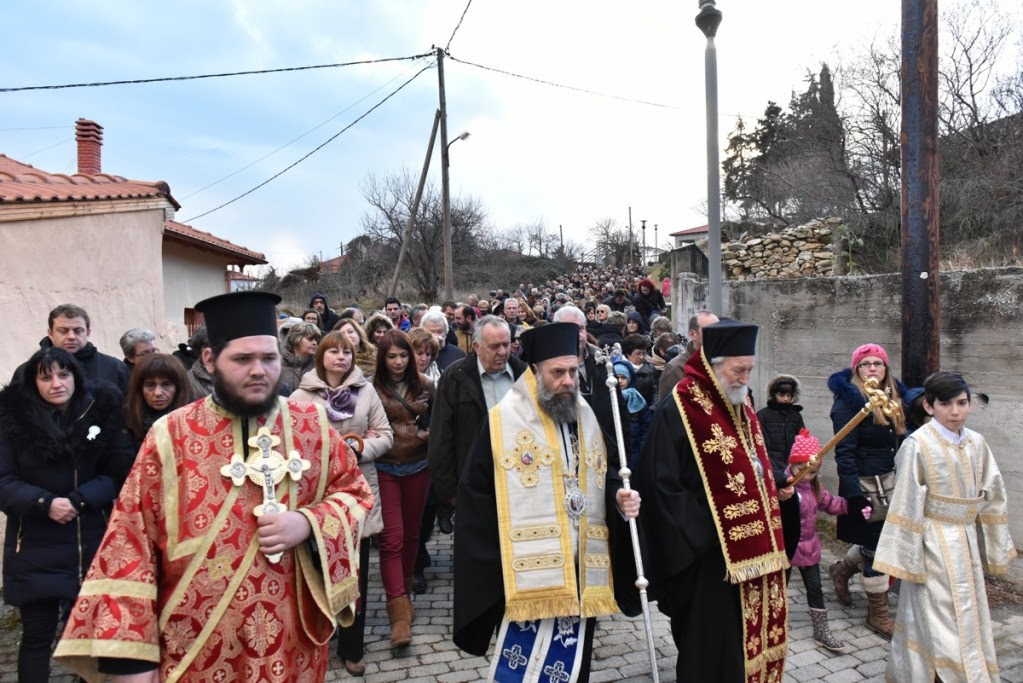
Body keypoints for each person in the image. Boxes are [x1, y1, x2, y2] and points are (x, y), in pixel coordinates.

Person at [54, 291, 373, 681]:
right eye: (242, 359)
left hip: (293, 647)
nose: (259, 370)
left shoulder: (311, 423)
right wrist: (134, 663)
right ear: (209, 360)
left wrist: (308, 524)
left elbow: (355, 493)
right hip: (195, 646)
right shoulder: (170, 435)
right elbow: (130, 542)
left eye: (269, 358)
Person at [453, 323, 641, 682]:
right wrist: (495, 561)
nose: (568, 380)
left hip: (581, 569)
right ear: (535, 371)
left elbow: (607, 472)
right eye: (558, 372)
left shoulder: (584, 416)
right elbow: (475, 495)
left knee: (577, 669)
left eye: (572, 370)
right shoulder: (502, 421)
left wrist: (618, 495)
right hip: (527, 572)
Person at [635, 320, 789, 682]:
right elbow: (661, 487)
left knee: (743, 645)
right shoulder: (679, 409)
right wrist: (710, 533)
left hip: (753, 554)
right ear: (713, 365)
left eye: (749, 370)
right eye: (738, 370)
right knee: (710, 649)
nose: (744, 378)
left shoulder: (740, 403)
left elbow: (754, 461)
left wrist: (778, 483)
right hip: (706, 559)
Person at [1, 348, 134, 681]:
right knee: (36, 637)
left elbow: (119, 471)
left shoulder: (101, 410)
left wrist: (80, 499)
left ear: (76, 376)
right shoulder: (12, 418)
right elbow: (3, 481)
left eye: (64, 375)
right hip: (34, 545)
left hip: (88, 541)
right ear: (34, 382)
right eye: (46, 377)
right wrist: (45, 503)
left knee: (90, 638)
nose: (56, 384)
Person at [874, 371, 1015, 680]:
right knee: (936, 620)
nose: (955, 411)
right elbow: (907, 500)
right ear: (929, 406)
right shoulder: (918, 445)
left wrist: (993, 547)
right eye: (946, 404)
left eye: (962, 403)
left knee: (968, 615)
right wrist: (908, 556)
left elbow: (994, 495)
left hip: (965, 542)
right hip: (932, 542)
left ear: (970, 405)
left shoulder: (977, 443)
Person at [291, 331, 393, 676]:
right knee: (318, 569)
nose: (341, 357)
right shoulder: (301, 395)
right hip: (316, 495)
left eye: (346, 352)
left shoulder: (366, 392)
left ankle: (353, 647)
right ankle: (319, 637)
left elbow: (385, 433)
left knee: (357, 570)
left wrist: (360, 448)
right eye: (333, 351)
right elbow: (289, 441)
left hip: (358, 490)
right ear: (320, 356)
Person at [826, 343, 906, 639]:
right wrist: (853, 494)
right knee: (877, 546)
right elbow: (843, 452)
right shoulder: (849, 402)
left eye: (878, 363)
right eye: (865, 364)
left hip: (891, 480)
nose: (873, 368)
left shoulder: (892, 398)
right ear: (856, 369)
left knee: (881, 541)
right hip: (866, 484)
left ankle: (842, 570)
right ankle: (878, 613)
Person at [427, 316, 527, 514]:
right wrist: (450, 491)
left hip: (520, 480)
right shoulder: (455, 377)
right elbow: (441, 436)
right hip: (472, 483)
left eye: (506, 344)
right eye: (494, 346)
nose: (502, 352)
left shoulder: (524, 374)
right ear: (476, 346)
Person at [372, 329, 434, 649]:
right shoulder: (372, 387)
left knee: (412, 535)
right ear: (382, 358)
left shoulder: (425, 385)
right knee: (391, 538)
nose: (398, 362)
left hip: (418, 466)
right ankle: (398, 613)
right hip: (384, 467)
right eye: (391, 356)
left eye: (403, 355)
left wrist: (427, 435)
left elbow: (438, 423)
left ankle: (405, 595)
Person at [786, 429, 849, 653]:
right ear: (791, 465)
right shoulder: (784, 488)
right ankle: (769, 626)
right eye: (800, 468)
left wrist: (854, 504)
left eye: (811, 472)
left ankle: (821, 631)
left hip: (808, 548)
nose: (806, 474)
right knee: (777, 589)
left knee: (815, 588)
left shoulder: (815, 489)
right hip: (785, 549)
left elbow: (833, 504)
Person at [14, 304, 130, 394]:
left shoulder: (115, 368)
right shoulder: (27, 371)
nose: (71, 337)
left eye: (78, 331)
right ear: (50, 333)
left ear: (88, 332)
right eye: (63, 331)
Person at [757, 374, 806, 560]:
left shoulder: (795, 415)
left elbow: (802, 438)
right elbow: (763, 445)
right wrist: (775, 470)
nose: (785, 398)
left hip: (793, 467)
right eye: (782, 394)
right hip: (774, 468)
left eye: (789, 395)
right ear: (773, 394)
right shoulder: (763, 416)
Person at [124, 353, 194, 450]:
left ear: (178, 388)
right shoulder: (126, 419)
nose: (158, 393)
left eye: (166, 385)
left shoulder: (195, 420)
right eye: (150, 385)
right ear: (140, 388)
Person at [656, 309, 719, 401]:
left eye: (718, 331)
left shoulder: (721, 362)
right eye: (710, 331)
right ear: (693, 334)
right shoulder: (675, 368)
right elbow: (668, 410)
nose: (717, 336)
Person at [612, 360, 649, 465]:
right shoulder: (607, 399)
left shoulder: (637, 399)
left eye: (623, 378)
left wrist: (643, 453)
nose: (619, 381)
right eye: (616, 377)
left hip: (635, 455)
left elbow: (646, 428)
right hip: (615, 456)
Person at [279, 321, 321, 393]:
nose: (315, 343)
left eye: (316, 340)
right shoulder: (278, 363)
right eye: (310, 339)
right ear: (296, 339)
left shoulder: (319, 366)